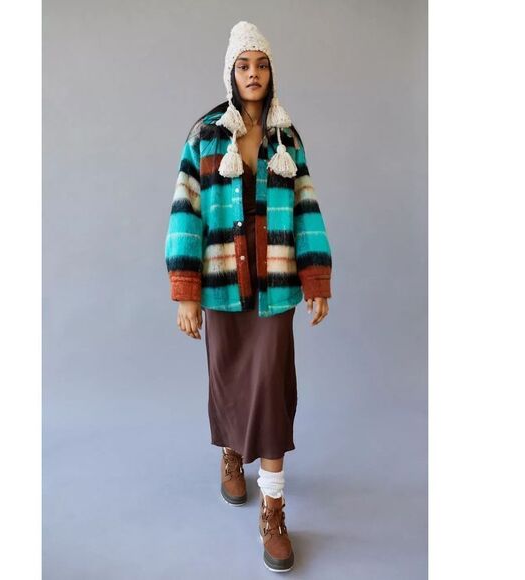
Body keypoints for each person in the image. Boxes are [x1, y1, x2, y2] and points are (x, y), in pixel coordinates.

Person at [164, 21, 333, 573]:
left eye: (261, 65)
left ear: (271, 72)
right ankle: (231, 454)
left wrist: (316, 280)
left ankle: (274, 510)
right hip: (220, 280)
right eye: (244, 65)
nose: (253, 74)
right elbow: (185, 211)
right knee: (229, 375)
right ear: (230, 72)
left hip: (275, 283)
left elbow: (306, 207)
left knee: (272, 385)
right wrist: (186, 293)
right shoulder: (205, 135)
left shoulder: (287, 137)